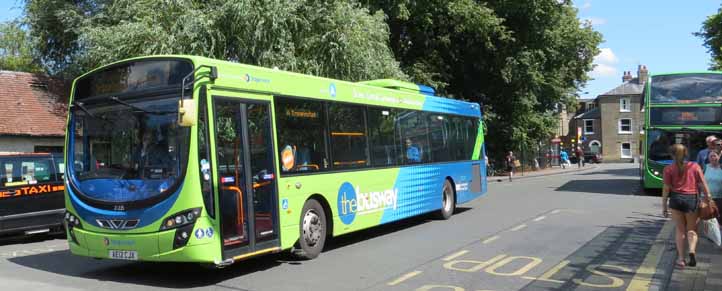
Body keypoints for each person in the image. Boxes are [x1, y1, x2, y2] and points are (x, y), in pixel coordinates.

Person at [663, 144, 711, 268]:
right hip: (691, 200)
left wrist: (664, 206)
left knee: (680, 230)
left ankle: (681, 259)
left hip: (676, 199)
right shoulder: (695, 166)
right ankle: (692, 251)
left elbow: (666, 189)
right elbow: (703, 184)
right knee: (692, 230)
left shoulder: (668, 169)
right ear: (686, 153)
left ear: (672, 155)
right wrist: (708, 198)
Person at [704, 149, 722, 229]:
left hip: (719, 199)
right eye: (711, 156)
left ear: (719, 156)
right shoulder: (705, 167)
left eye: (714, 156)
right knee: (707, 220)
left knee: (719, 220)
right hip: (706, 198)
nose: (712, 158)